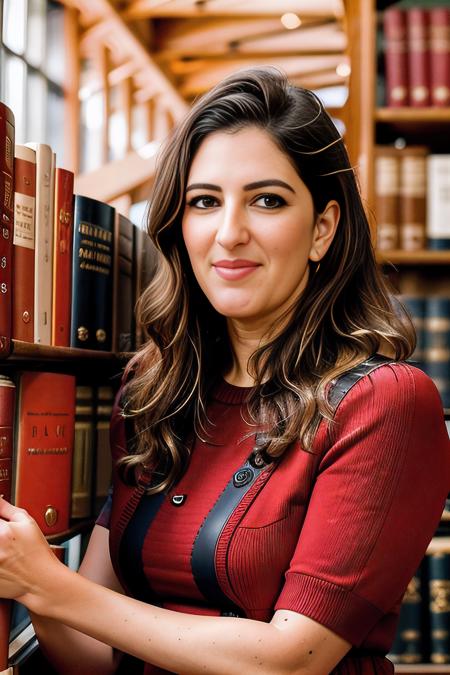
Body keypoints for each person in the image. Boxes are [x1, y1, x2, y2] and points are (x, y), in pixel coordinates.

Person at [0, 67, 449, 675]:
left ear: (323, 229)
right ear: (180, 227)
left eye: (267, 200)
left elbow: (291, 663)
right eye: (204, 202)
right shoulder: (155, 394)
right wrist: (28, 582)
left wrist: (53, 588)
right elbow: (91, 662)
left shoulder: (385, 402)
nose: (229, 233)